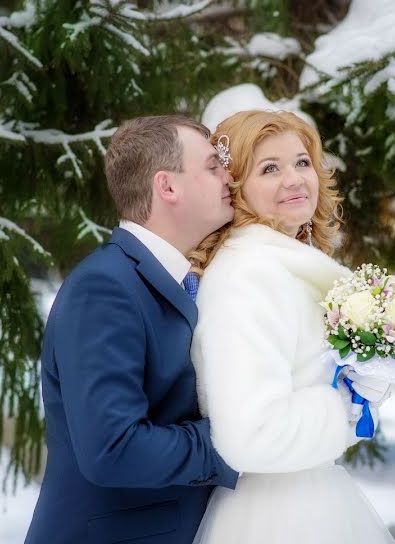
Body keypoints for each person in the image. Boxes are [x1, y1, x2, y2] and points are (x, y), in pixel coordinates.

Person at [25, 115, 239, 544]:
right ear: (168, 186)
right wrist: (238, 440)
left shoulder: (188, 280)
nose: (229, 177)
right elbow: (114, 450)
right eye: (213, 166)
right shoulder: (104, 287)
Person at [188, 110, 395, 543]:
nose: (295, 179)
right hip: (278, 517)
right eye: (270, 168)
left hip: (309, 498)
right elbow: (251, 436)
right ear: (235, 188)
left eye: (302, 162)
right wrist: (348, 405)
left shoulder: (283, 267)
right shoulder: (249, 276)